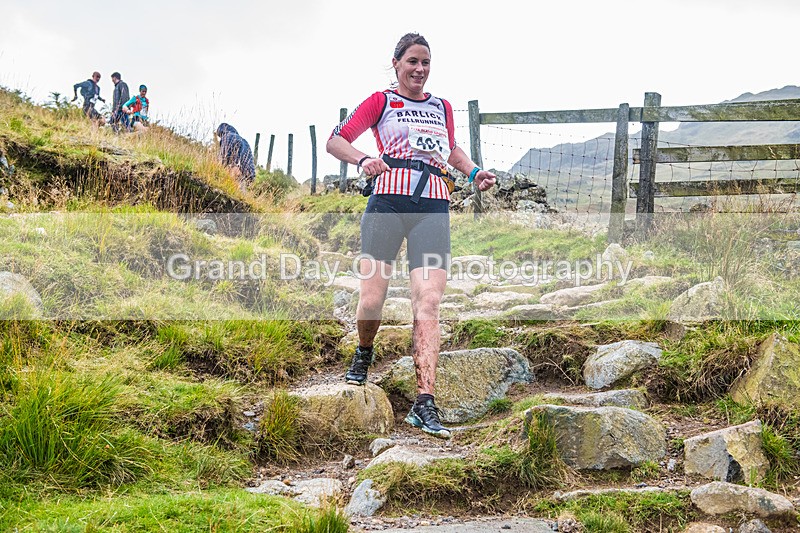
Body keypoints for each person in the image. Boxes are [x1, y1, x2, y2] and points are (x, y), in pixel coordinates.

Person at [326, 33, 496, 439]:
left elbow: (450, 150)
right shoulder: (381, 102)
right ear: (397, 63)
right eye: (413, 62)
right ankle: (364, 353)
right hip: (386, 206)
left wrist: (474, 172)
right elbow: (337, 141)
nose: (420, 69)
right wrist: (365, 158)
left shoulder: (441, 107)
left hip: (433, 209)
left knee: (430, 301)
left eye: (426, 63)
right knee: (372, 299)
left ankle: (424, 403)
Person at [216, 123, 256, 190]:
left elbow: (224, 156)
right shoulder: (245, 141)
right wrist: (251, 177)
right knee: (240, 197)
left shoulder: (226, 136)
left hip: (233, 171)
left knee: (227, 192)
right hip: (244, 174)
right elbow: (250, 160)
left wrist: (220, 169)